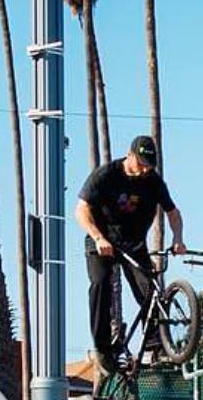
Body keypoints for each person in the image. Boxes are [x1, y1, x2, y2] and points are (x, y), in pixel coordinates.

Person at [75, 135, 185, 372]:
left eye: (149, 165)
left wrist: (178, 238)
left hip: (133, 243)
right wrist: (98, 238)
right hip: (102, 241)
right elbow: (82, 210)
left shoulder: (153, 181)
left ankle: (155, 346)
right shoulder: (106, 175)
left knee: (150, 291)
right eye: (141, 163)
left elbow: (173, 212)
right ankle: (103, 346)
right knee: (101, 284)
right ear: (130, 155)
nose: (144, 169)